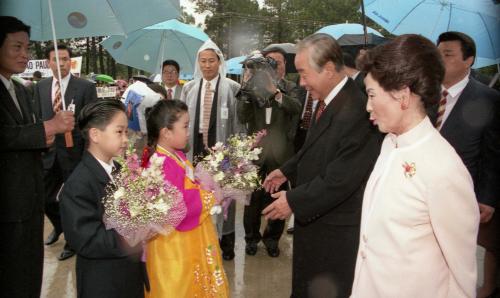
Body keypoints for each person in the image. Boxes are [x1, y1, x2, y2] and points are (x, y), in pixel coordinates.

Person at [349, 34, 480, 298]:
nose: (367, 106)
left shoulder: (443, 169)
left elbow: (462, 274)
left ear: (403, 95)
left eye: (372, 95)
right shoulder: (390, 143)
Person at [262, 33, 382, 297]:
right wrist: (287, 170)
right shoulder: (329, 102)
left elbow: (341, 178)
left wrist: (292, 200)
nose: (301, 83)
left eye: (304, 74)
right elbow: (313, 147)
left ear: (328, 69)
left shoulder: (357, 111)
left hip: (335, 230)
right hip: (315, 219)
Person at [0, 16, 75, 297]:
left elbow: (25, 130)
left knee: (29, 271)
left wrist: (42, 138)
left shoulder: (19, 88)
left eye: (27, 48)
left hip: (29, 198)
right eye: (16, 47)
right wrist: (48, 127)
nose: (24, 54)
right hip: (9, 203)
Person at [434, 31, 500, 298]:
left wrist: (487, 197)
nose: (440, 60)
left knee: (455, 265)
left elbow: (493, 154)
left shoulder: (488, 99)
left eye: (447, 54)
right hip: (422, 194)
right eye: (437, 54)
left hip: (462, 198)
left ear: (469, 59)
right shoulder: (423, 93)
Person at [59, 99, 146, 298]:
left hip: (127, 277)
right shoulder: (79, 184)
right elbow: (86, 240)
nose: (126, 139)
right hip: (103, 283)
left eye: (126, 132)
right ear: (95, 134)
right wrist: (135, 234)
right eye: (119, 131)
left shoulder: (118, 170)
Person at [144, 99, 229, 297]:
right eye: (185, 126)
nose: (189, 131)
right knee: (179, 287)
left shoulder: (176, 155)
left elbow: (189, 184)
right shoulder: (160, 164)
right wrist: (211, 196)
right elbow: (178, 204)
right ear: (166, 132)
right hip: (174, 244)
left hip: (189, 233)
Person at [180, 39, 244, 260]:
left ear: (219, 62)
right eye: (203, 61)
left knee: (225, 197)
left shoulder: (233, 88)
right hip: (195, 149)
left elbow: (238, 126)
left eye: (211, 61)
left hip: (222, 152)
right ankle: (200, 241)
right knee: (196, 196)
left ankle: (227, 244)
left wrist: (236, 157)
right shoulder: (188, 88)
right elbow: (182, 123)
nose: (207, 66)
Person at [34, 44, 98, 261]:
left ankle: (72, 240)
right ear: (48, 63)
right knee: (44, 197)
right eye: (55, 59)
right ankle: (59, 225)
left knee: (72, 200)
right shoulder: (40, 87)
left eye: (64, 59)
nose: (60, 63)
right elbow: (38, 118)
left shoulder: (85, 87)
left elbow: (92, 122)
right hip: (48, 153)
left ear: (70, 61)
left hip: (76, 152)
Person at [237, 49, 302, 257]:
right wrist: (247, 88)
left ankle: (272, 240)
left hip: (281, 154)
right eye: (269, 61)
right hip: (257, 152)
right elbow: (242, 116)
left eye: (277, 62)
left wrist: (275, 92)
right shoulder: (252, 87)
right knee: (252, 199)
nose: (273, 65)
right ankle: (251, 238)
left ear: (283, 65)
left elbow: (297, 109)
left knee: (277, 198)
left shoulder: (291, 87)